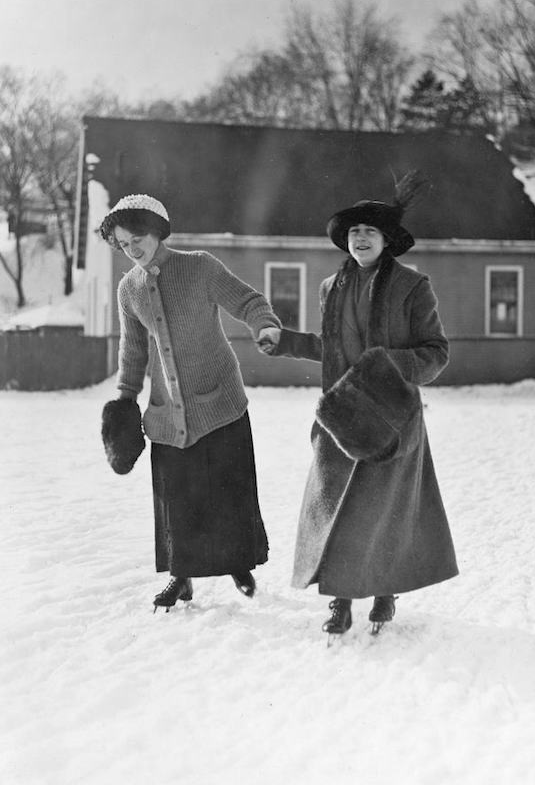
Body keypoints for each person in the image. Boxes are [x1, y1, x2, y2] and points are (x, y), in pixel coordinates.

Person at [259, 173, 458, 637]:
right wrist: (283, 341)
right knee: (336, 509)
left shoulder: (413, 287)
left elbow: (436, 353)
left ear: (387, 240)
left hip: (392, 418)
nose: (361, 238)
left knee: (382, 513)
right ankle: (340, 602)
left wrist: (385, 366)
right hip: (340, 417)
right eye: (354, 232)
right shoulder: (332, 287)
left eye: (370, 231)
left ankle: (384, 593)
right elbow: (330, 348)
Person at [99, 194, 281, 611]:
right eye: (124, 244)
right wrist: (125, 399)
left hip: (219, 402)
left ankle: (239, 564)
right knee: (177, 500)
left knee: (229, 491)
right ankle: (182, 578)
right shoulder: (129, 289)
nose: (133, 249)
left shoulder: (199, 267)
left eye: (138, 238)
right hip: (168, 412)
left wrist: (265, 325)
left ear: (157, 230)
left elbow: (248, 301)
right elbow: (133, 351)